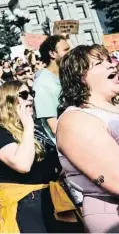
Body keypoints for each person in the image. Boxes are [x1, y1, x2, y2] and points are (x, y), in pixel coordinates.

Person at [0, 81, 71, 232]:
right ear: (9, 101)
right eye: (24, 95)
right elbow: (23, 165)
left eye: (32, 93)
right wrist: (28, 126)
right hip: (23, 207)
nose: (31, 98)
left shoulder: (35, 127)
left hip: (50, 199)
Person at [57, 44, 119, 232]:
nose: (111, 65)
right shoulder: (75, 120)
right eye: (99, 63)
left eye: (109, 60)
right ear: (80, 77)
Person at [33, 35, 70, 139]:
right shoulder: (42, 84)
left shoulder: (66, 75)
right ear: (52, 54)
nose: (70, 53)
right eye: (66, 50)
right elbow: (54, 127)